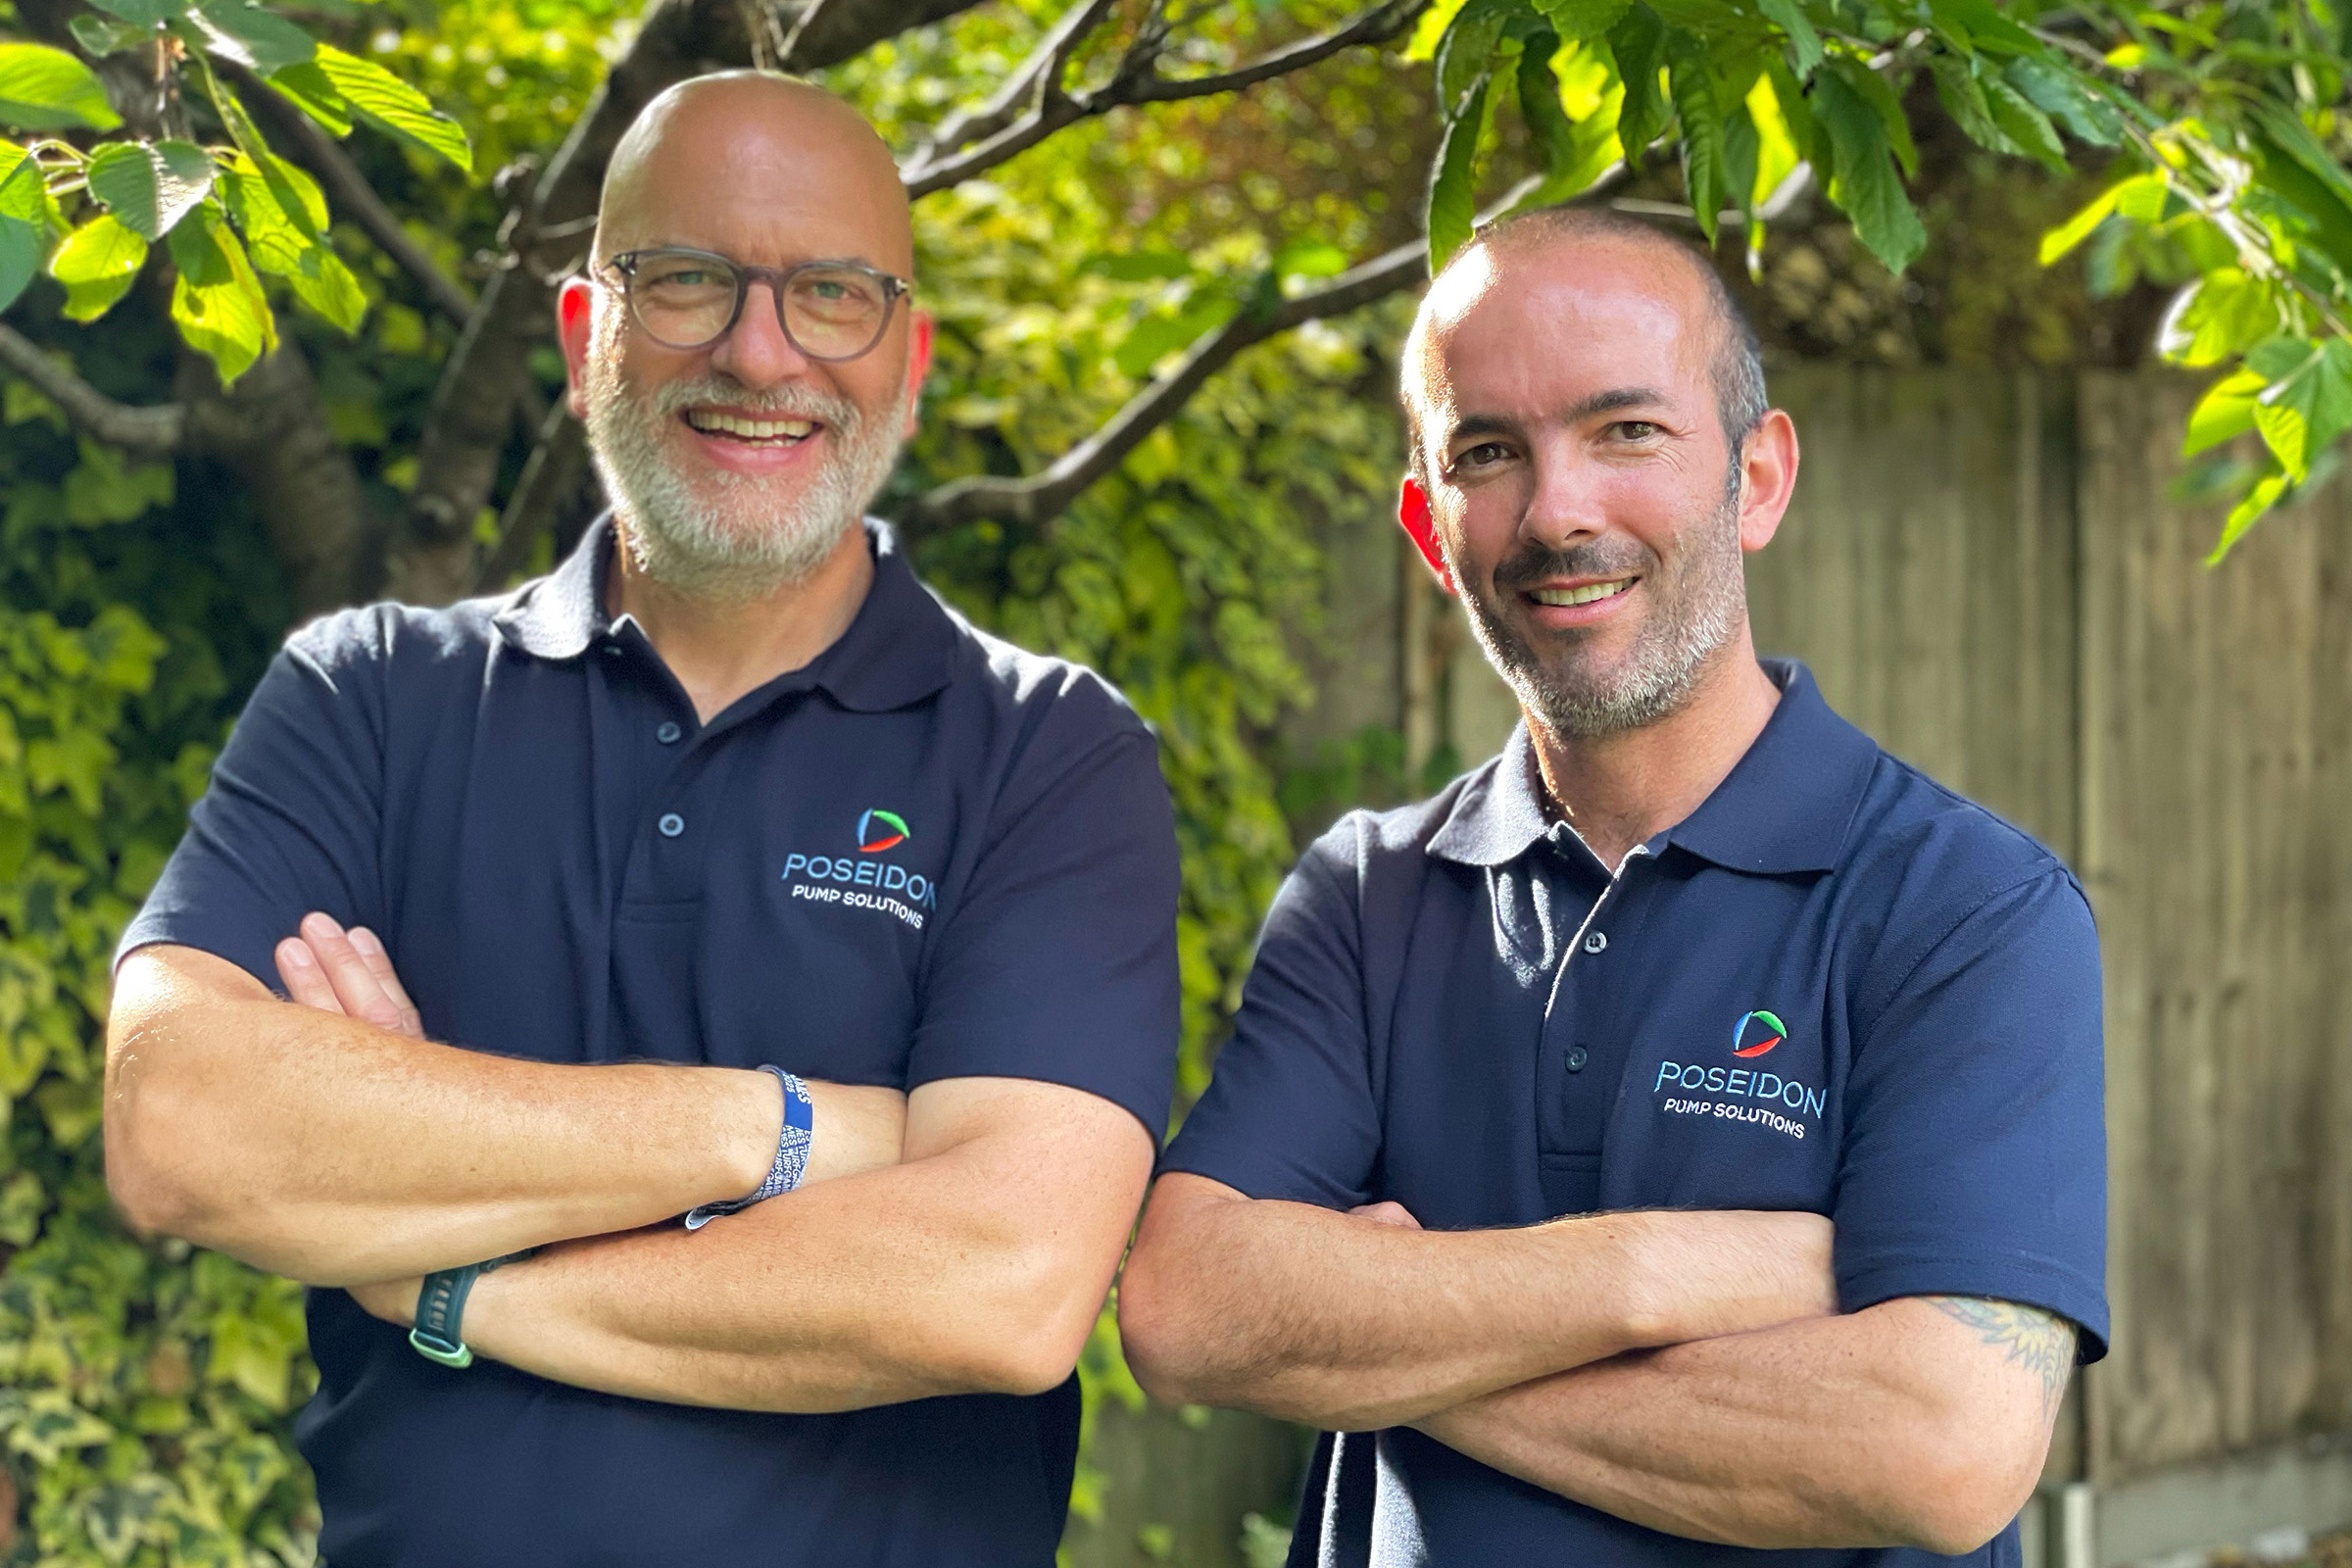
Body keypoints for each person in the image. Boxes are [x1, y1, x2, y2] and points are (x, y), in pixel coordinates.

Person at [104, 73, 1179, 1568]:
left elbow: (1001, 1282)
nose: (761, 350)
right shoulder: (370, 699)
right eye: (687, 281)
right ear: (579, 334)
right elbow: (184, 1123)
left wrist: (447, 1277)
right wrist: (781, 1128)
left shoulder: (1047, 757)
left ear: (909, 361)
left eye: (833, 296)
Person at [1117, 208, 2107, 1566]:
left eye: (1626, 431)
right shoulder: (1367, 899)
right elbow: (1186, 1306)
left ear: (1757, 479)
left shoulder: (1965, 911)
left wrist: (1393, 1331)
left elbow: (1940, 1449)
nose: (1559, 510)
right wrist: (1658, 1275)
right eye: (1488, 453)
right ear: (1428, 525)